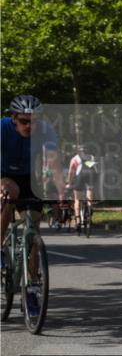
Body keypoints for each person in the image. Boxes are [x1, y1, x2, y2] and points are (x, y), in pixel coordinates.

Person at [1, 95, 66, 317]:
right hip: (3, 175)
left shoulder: (46, 131)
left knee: (33, 227)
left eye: (34, 121)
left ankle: (30, 288)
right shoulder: (2, 128)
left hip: (28, 178)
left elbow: (54, 162)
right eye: (24, 121)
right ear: (13, 119)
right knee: (10, 194)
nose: (30, 126)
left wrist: (61, 192)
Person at [67, 147, 99, 233]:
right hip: (92, 175)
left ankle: (78, 220)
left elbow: (70, 172)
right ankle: (89, 207)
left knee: (77, 199)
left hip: (81, 175)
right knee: (89, 193)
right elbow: (96, 169)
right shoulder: (92, 157)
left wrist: (69, 183)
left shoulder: (74, 158)